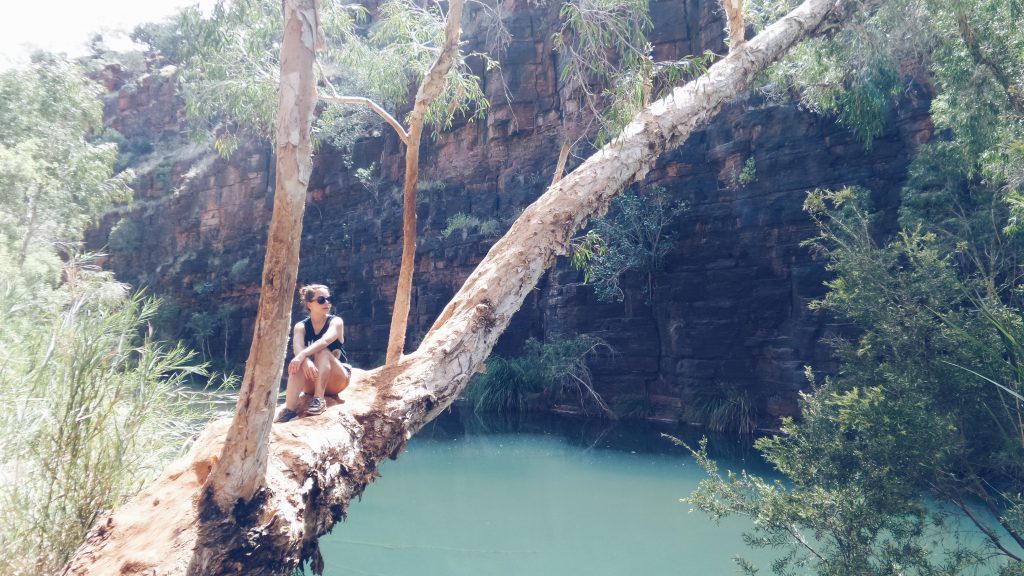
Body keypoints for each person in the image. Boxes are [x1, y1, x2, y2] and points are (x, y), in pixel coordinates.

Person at [275, 284, 351, 423]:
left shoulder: (335, 322)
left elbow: (325, 340)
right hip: (312, 379)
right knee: (297, 362)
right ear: (309, 304)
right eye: (321, 299)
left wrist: (302, 356)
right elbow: (297, 346)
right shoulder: (301, 326)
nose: (327, 302)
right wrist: (304, 360)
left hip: (337, 380)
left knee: (321, 351)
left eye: (329, 299)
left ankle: (319, 400)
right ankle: (289, 410)